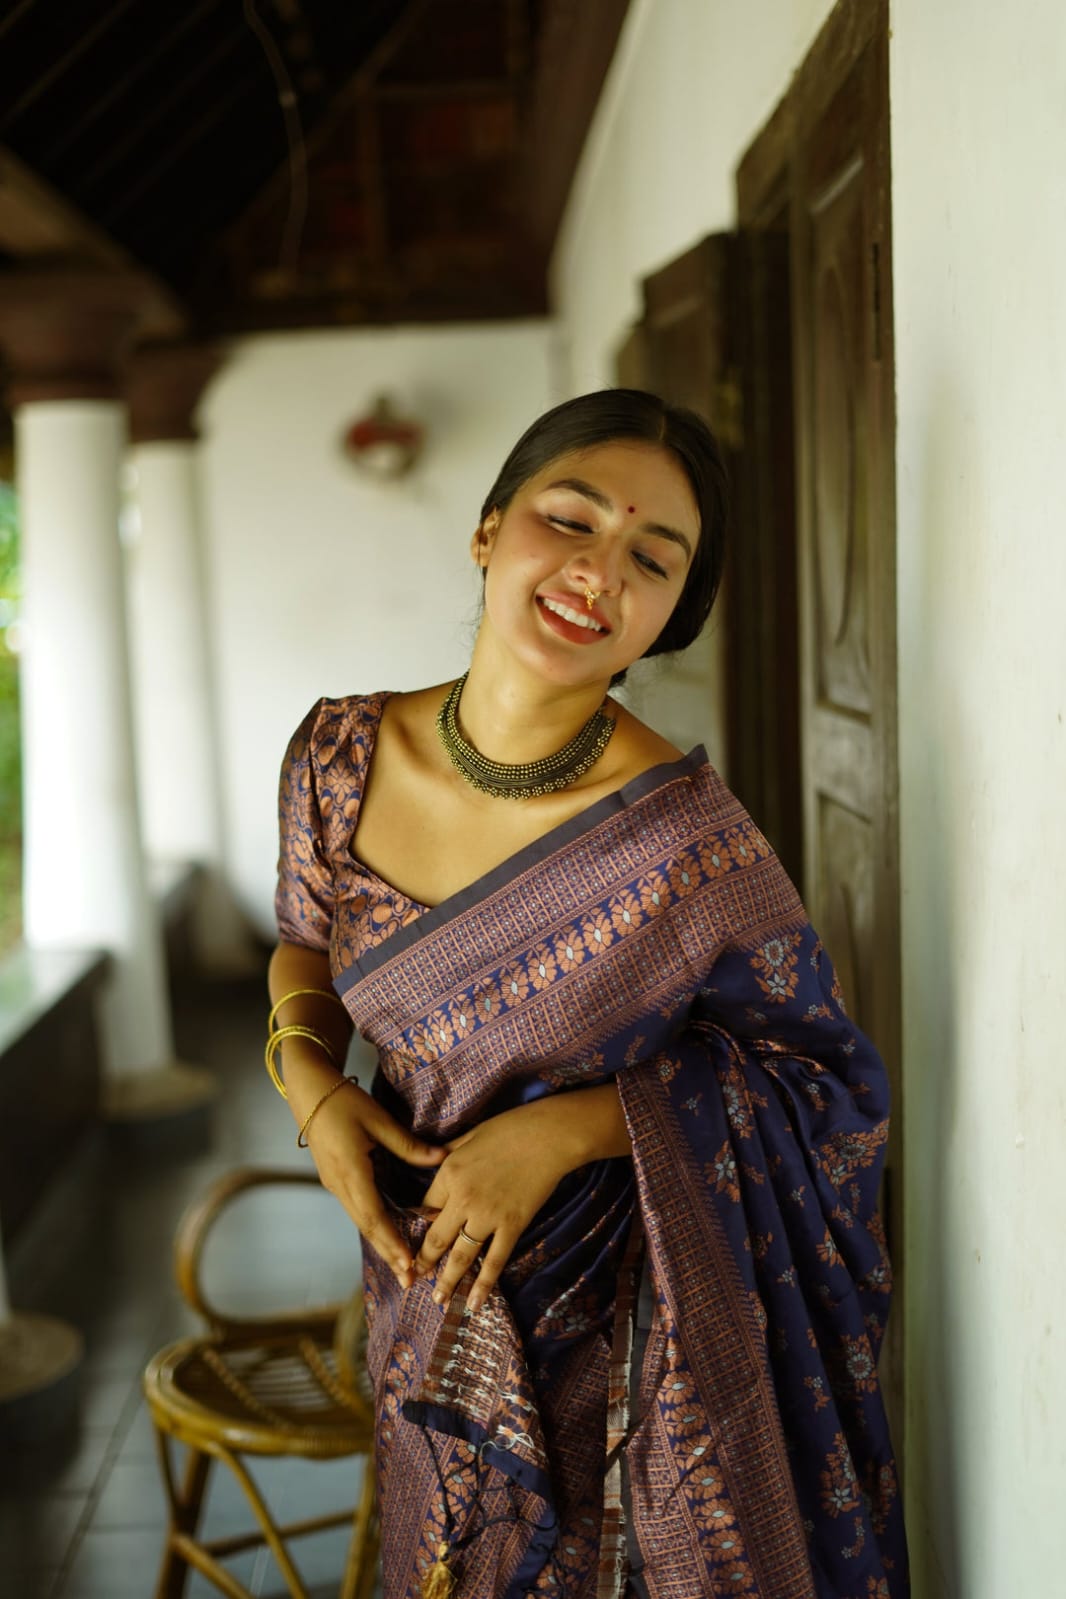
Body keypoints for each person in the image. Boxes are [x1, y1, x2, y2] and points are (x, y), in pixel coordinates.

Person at [267, 389, 908, 1599]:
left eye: (650, 557)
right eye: (569, 519)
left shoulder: (684, 842)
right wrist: (314, 1091)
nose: (597, 570)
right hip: (423, 1291)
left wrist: (559, 1133)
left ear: (669, 616)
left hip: (635, 1350)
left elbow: (826, 1084)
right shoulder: (336, 759)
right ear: (488, 527)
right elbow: (303, 946)